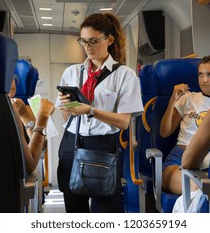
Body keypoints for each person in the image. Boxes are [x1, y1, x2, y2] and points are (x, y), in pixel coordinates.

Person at [55, 13, 144, 213]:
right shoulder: (71, 73)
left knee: (106, 208)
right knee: (74, 208)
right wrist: (68, 107)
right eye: (83, 41)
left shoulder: (124, 75)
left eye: (94, 41)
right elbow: (67, 118)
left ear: (109, 40)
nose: (88, 47)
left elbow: (123, 122)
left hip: (102, 145)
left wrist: (91, 110)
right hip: (71, 142)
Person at [160, 56, 210, 194]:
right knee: (190, 186)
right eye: (200, 74)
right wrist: (173, 100)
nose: (204, 79)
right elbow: (164, 131)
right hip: (180, 157)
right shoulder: (189, 99)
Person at [9, 77, 55, 174]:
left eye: (12, 77)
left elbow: (41, 148)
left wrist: (26, 116)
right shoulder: (10, 109)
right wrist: (43, 116)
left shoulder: (23, 107)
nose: (12, 82)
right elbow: (29, 165)